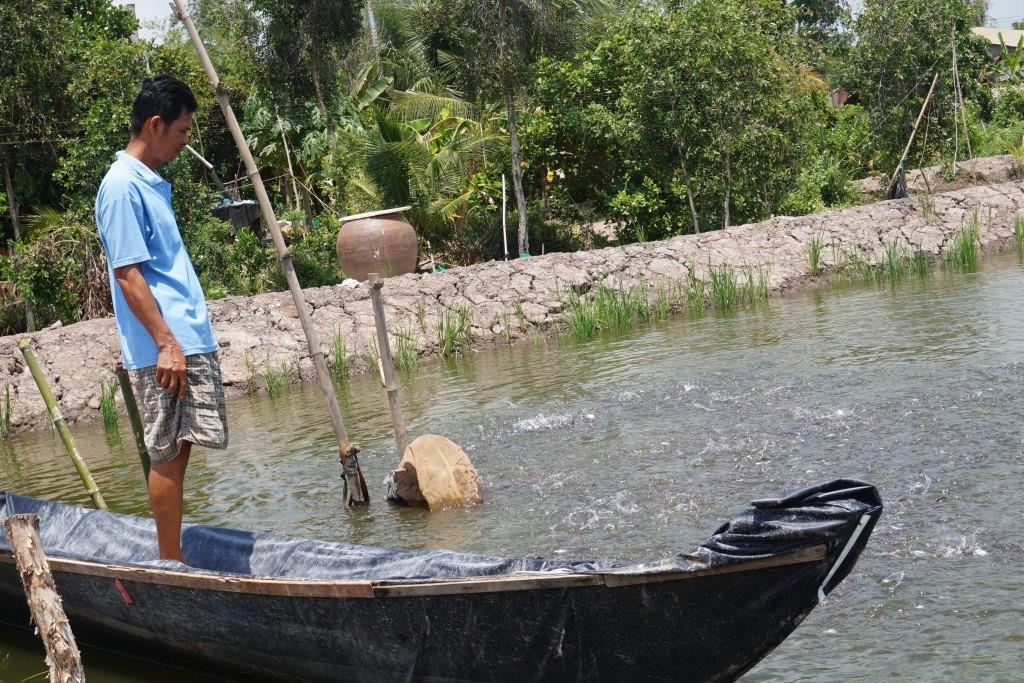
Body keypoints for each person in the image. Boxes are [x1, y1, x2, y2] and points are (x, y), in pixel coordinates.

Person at [95, 74, 227, 562]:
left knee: (182, 447)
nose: (185, 140)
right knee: (168, 450)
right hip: (164, 347)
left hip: (181, 339)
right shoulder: (121, 186)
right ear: (156, 125)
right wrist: (167, 344)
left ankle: (174, 556)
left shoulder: (147, 183)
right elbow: (128, 273)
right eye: (181, 131)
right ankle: (171, 563)